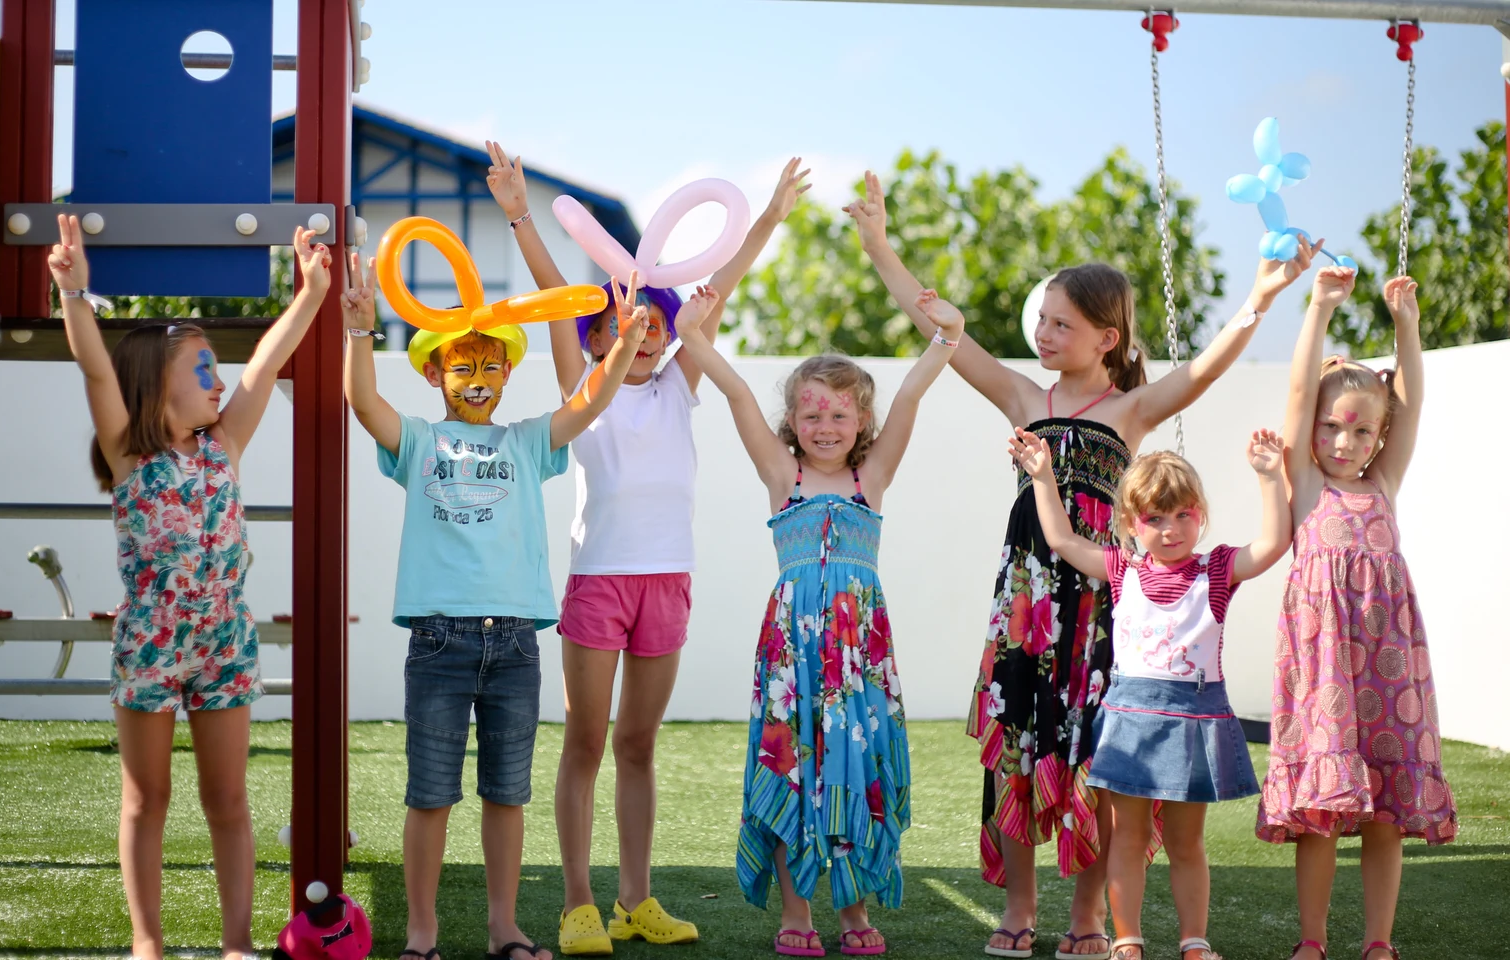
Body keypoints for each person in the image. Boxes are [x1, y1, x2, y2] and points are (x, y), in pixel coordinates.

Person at [843, 169, 1321, 959]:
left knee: (1099, 759)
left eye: (1063, 325)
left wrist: (1261, 297)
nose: (1045, 335)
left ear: (1108, 338)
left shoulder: (1131, 410)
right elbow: (947, 331)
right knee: (1021, 753)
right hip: (1028, 606)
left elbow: (1205, 367)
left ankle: (1090, 916)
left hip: (1107, 611)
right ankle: (1020, 910)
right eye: (1044, 323)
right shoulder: (1025, 399)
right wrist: (880, 247)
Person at [482, 143, 811, 955]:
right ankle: (578, 904)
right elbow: (555, 296)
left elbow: (722, 285)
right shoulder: (584, 387)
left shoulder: (678, 383)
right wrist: (522, 213)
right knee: (587, 742)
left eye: (660, 325)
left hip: (668, 583)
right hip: (600, 583)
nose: (651, 335)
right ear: (601, 332)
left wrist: (767, 216)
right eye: (633, 324)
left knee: (637, 745)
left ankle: (635, 900)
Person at [341, 253, 650, 960]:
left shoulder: (525, 441)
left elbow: (590, 402)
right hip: (439, 643)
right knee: (430, 794)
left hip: (515, 643)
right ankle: (422, 936)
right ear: (433, 373)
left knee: (507, 794)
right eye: (462, 367)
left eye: (489, 368)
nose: (477, 380)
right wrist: (360, 335)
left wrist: (626, 342)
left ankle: (503, 928)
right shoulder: (419, 440)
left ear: (508, 373)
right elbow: (364, 404)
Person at [51, 212, 332, 960]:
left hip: (223, 641)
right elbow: (95, 369)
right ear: (158, 386)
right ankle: (149, 942)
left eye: (215, 367)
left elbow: (265, 367)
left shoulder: (225, 445)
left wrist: (307, 295)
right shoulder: (127, 454)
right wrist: (77, 296)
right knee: (148, 798)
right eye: (202, 368)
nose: (217, 380)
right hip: (151, 643)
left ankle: (236, 943)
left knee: (228, 801)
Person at [676, 277, 961, 956]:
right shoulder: (784, 474)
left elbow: (915, 391)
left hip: (857, 653)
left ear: (862, 421)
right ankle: (797, 911)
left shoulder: (874, 475)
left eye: (840, 415)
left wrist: (947, 336)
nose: (826, 428)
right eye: (812, 416)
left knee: (854, 771)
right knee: (792, 765)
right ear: (793, 423)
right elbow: (739, 394)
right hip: (792, 656)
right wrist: (691, 334)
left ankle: (855, 914)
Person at [1010, 428, 1292, 960]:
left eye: (1183, 514)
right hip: (1130, 726)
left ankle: (1194, 942)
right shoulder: (1122, 568)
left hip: (1194, 723)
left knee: (1187, 844)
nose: (1170, 529)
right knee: (1129, 842)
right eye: (1154, 518)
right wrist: (1043, 476)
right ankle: (1127, 939)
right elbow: (1063, 542)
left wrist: (1270, 477)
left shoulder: (1217, 569)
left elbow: (1274, 544)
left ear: (1200, 515)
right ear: (1129, 524)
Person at [1258, 268, 1456, 960]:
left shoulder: (1385, 483)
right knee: (1321, 811)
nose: (1346, 443)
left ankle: (1379, 941)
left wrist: (1407, 324)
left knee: (1386, 816)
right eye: (1333, 428)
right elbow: (1295, 389)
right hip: (1324, 670)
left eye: (1362, 431)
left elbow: (1412, 400)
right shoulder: (1305, 484)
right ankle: (1312, 940)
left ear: (1379, 436)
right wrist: (1318, 309)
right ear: (1313, 430)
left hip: (1388, 662)